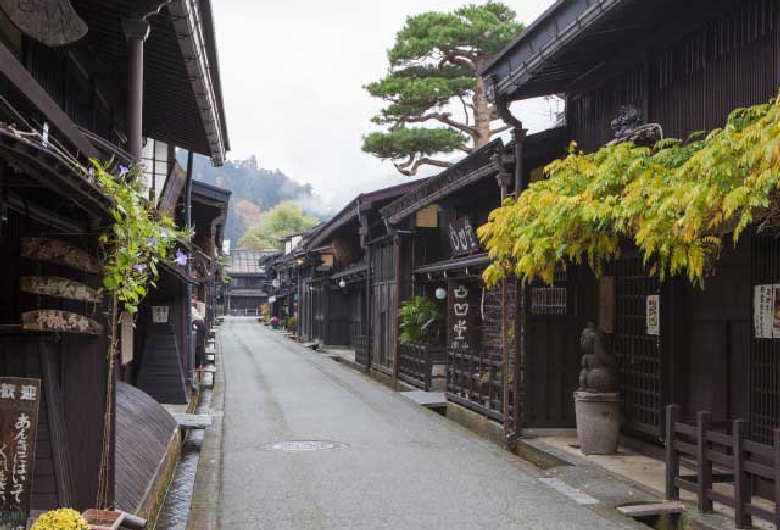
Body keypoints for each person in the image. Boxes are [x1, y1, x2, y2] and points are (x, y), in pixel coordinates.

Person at [192, 296, 207, 369]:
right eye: (194, 299)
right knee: (199, 344)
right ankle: (200, 363)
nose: (195, 301)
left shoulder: (194, 308)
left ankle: (200, 364)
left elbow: (202, 316)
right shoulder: (192, 308)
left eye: (195, 299)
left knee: (198, 344)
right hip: (199, 324)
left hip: (198, 324)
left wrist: (200, 305)